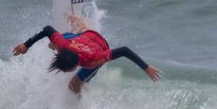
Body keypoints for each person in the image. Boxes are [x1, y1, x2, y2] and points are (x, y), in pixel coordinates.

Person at [13, 14, 161, 93]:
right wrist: (26, 45)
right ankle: (81, 26)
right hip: (83, 38)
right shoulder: (63, 46)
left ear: (75, 65)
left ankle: (80, 98)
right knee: (52, 44)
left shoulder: (93, 60)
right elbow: (47, 29)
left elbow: (124, 50)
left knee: (73, 86)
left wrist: (146, 67)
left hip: (99, 44)